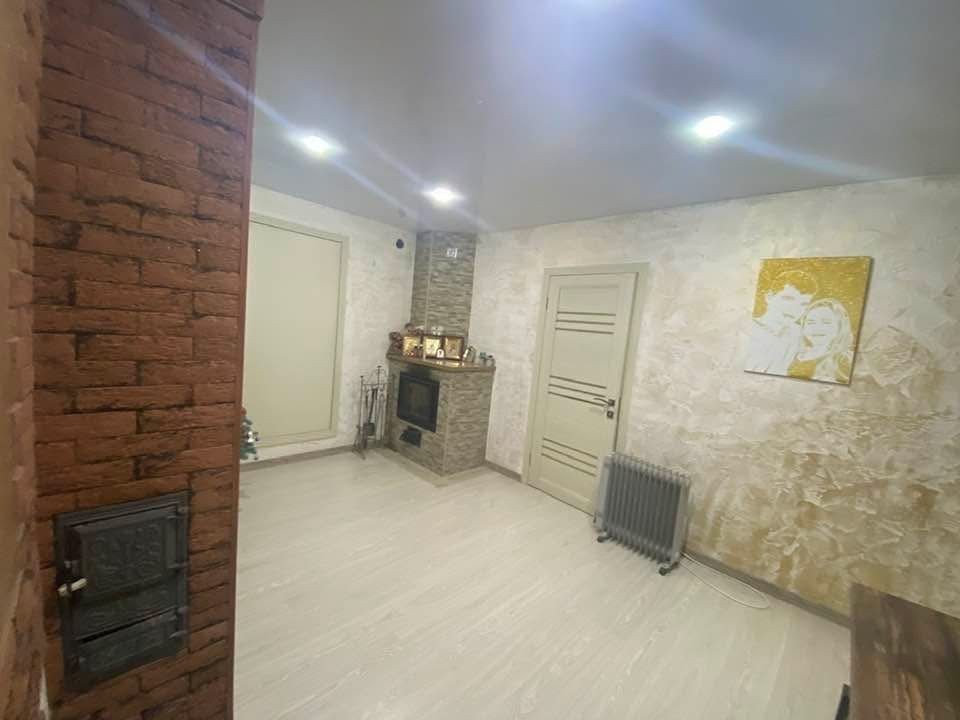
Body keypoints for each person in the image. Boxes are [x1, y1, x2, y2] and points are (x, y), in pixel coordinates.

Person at [746, 270, 819, 375]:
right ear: (769, 297)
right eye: (788, 299)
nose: (795, 309)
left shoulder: (800, 334)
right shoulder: (748, 330)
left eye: (803, 304)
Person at [789, 298, 854, 384]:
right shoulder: (793, 353)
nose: (817, 328)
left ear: (839, 326)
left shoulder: (843, 360)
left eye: (826, 322)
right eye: (811, 322)